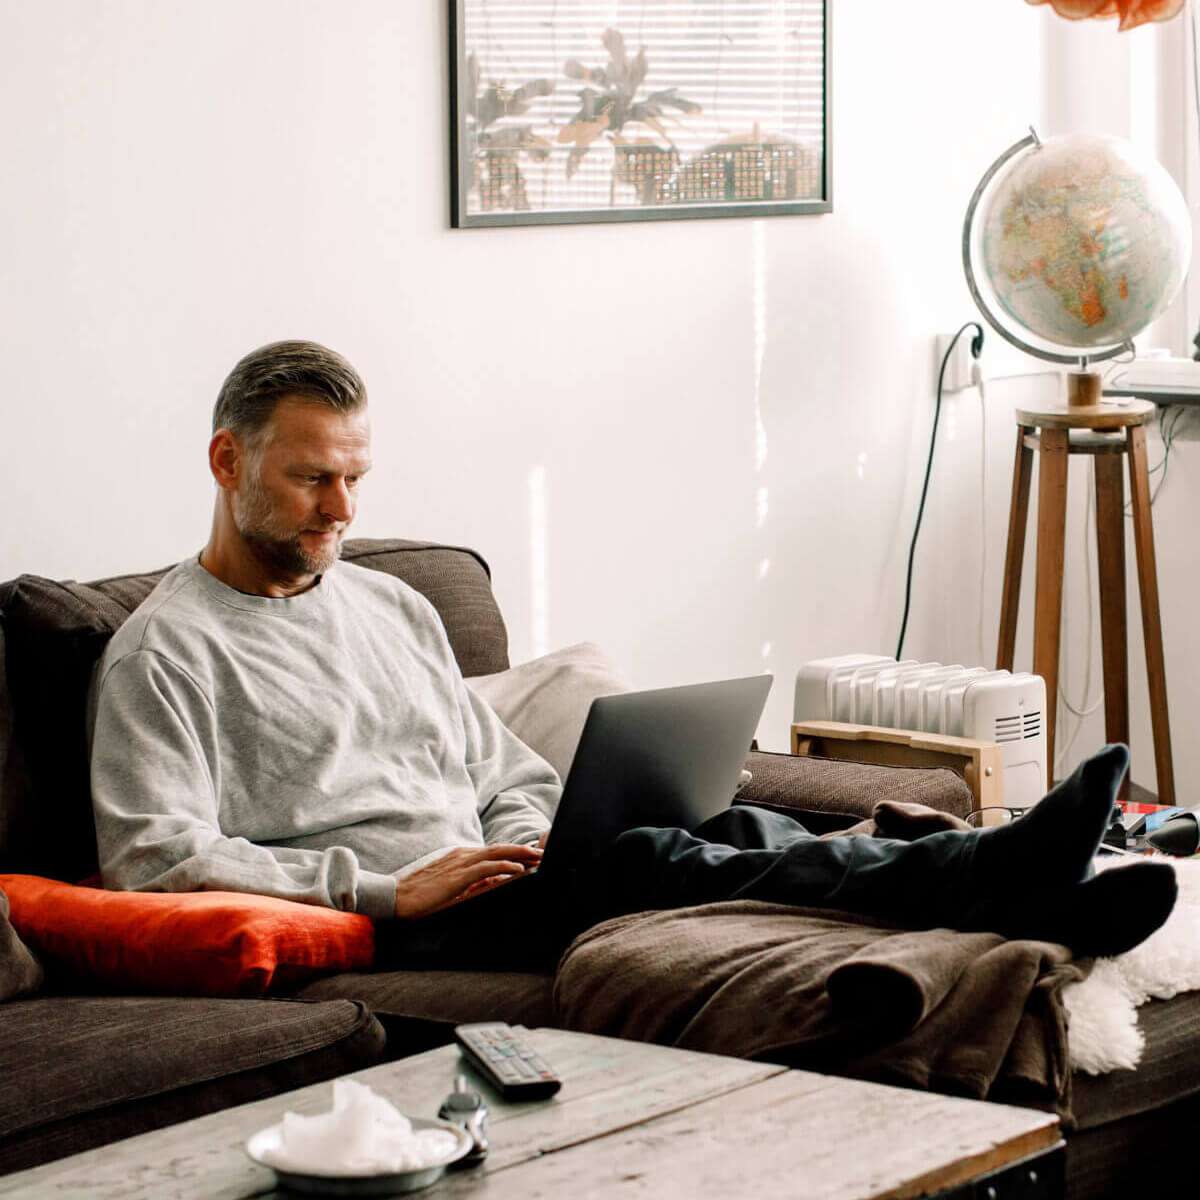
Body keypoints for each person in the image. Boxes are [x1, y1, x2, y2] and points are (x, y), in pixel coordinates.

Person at [89, 340, 1178, 972]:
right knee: (657, 863)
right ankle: (997, 871)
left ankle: (1036, 898)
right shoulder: (165, 654)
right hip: (395, 928)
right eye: (310, 478)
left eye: (356, 479)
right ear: (227, 460)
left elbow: (506, 773)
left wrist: (524, 842)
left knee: (734, 827)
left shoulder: (389, 604)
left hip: (494, 885)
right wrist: (386, 888)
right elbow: (149, 858)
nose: (342, 507)